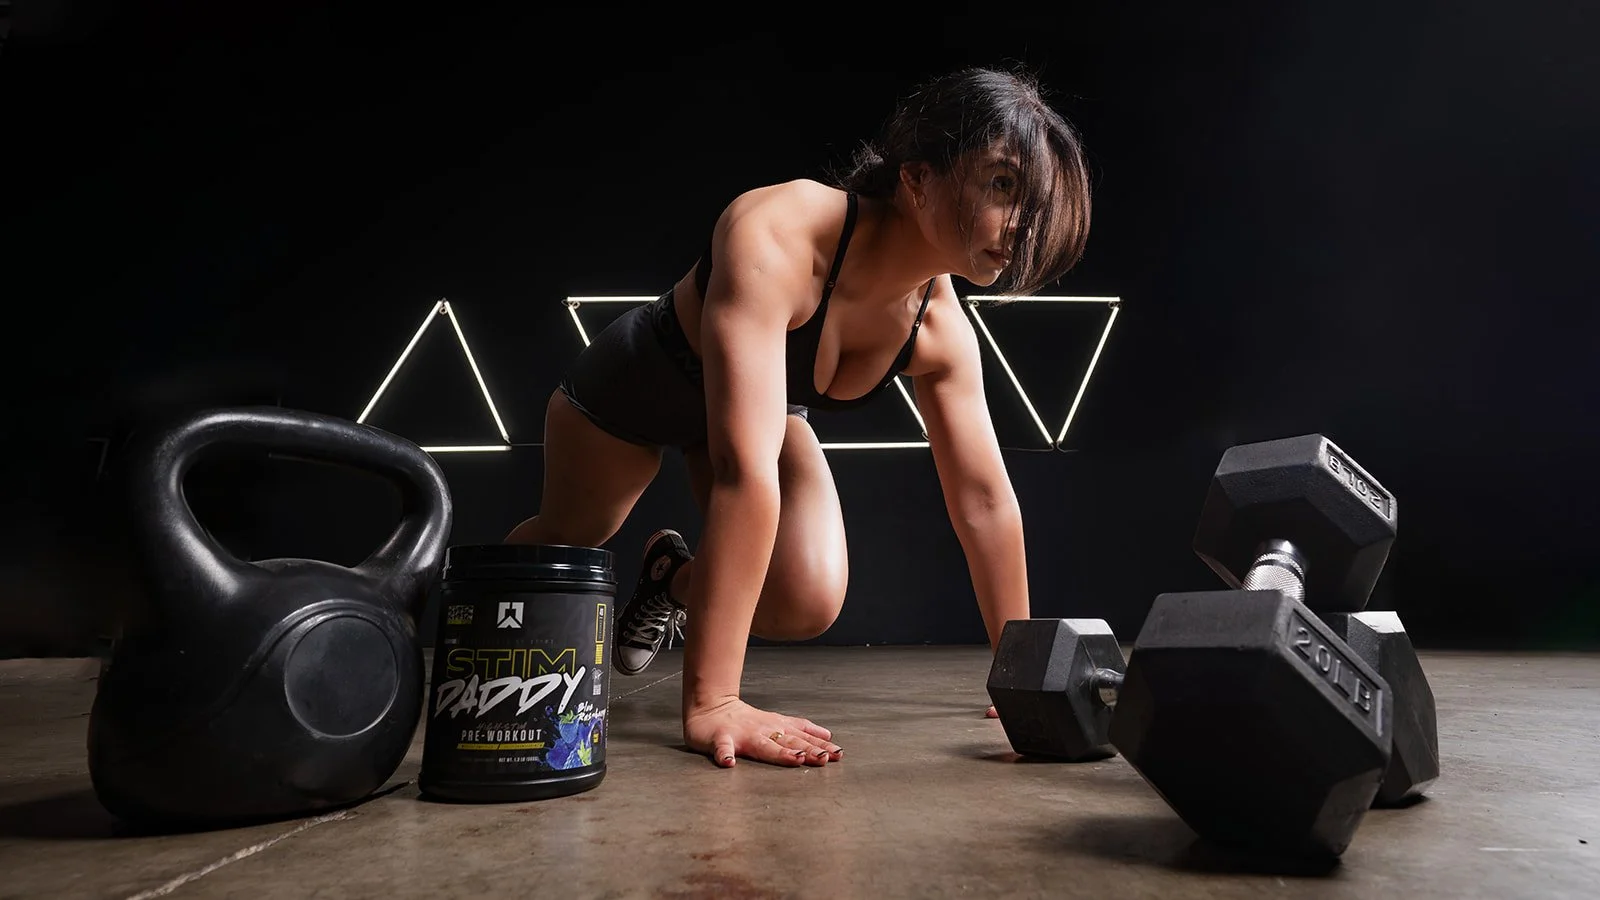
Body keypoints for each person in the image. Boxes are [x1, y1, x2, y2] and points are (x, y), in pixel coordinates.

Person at [504, 64, 1092, 769]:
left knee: (804, 599)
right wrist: (714, 702)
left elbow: (985, 500)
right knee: (571, 539)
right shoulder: (776, 232)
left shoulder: (938, 329)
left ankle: (669, 578)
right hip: (640, 390)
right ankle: (466, 611)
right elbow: (741, 472)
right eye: (1002, 184)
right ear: (918, 179)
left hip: (762, 416)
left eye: (1032, 197)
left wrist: (1021, 666)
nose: (1021, 221)